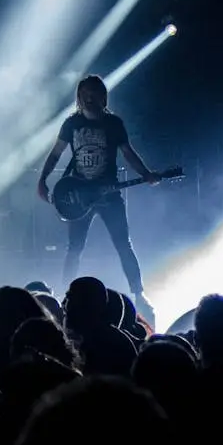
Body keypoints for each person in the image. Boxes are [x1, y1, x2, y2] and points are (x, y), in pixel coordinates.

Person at [36, 75, 158, 309]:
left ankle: (138, 293)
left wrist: (146, 172)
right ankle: (66, 296)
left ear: (103, 97)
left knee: (123, 243)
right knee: (75, 247)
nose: (89, 98)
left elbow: (128, 152)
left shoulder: (113, 124)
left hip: (109, 194)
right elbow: (55, 153)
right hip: (79, 197)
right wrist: (42, 180)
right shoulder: (71, 124)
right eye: (85, 95)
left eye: (94, 94)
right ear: (79, 98)